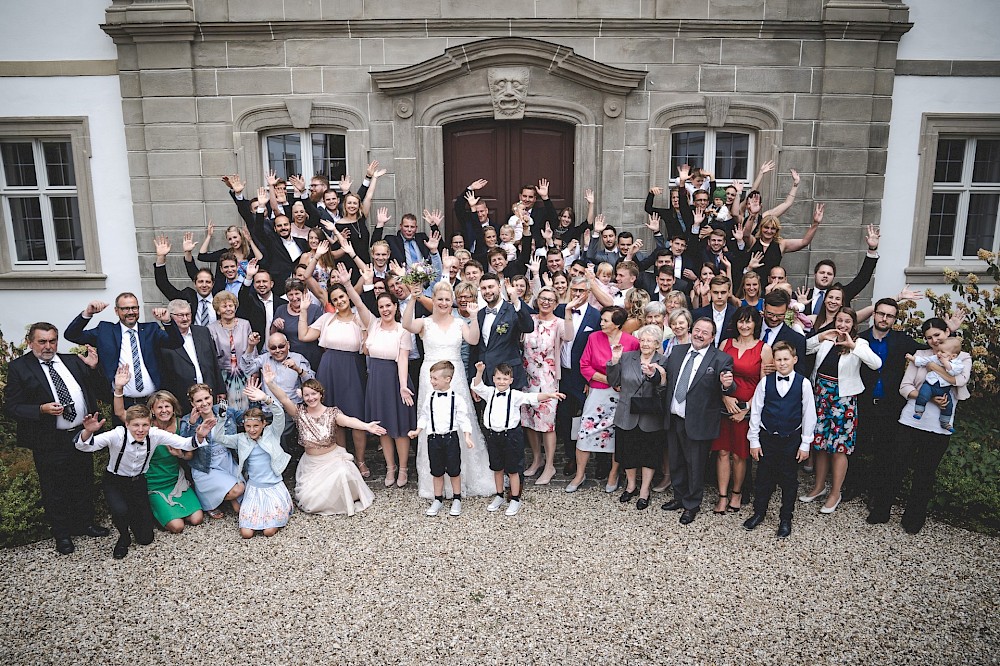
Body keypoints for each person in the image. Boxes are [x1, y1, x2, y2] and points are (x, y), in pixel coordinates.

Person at [3, 323, 110, 555]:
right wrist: (40, 409)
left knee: (83, 480)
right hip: (49, 439)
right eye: (42, 341)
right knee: (54, 489)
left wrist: (93, 369)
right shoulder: (20, 368)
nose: (48, 346)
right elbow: (11, 407)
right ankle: (62, 534)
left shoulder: (72, 362)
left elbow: (99, 391)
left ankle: (86, 523)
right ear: (30, 342)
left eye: (52, 341)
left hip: (81, 433)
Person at [867, 318, 972, 534]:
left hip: (939, 426)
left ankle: (914, 517)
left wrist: (935, 366)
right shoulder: (921, 356)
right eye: (929, 337)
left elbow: (960, 381)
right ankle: (882, 509)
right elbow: (905, 387)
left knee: (925, 473)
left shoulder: (962, 357)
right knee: (896, 466)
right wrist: (931, 398)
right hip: (910, 420)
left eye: (938, 335)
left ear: (947, 332)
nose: (934, 340)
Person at [75, 404, 208, 559]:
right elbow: (84, 447)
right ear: (127, 424)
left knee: (146, 539)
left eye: (145, 425)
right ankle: (123, 537)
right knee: (120, 510)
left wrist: (199, 436)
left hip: (138, 482)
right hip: (115, 482)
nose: (140, 429)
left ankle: (143, 517)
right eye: (136, 425)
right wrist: (88, 432)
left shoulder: (155, 435)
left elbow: (184, 443)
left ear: (150, 424)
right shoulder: (117, 435)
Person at [402, 281, 495, 499]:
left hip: (456, 378)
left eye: (446, 299)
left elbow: (472, 340)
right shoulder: (424, 323)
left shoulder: (459, 322)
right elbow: (406, 324)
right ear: (433, 301)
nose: (443, 303)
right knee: (434, 422)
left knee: (461, 419)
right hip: (431, 378)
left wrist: (473, 318)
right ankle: (435, 481)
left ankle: (466, 476)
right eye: (440, 299)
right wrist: (413, 298)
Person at [254, 367, 384, 516]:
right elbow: (284, 399)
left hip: (333, 459)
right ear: (302, 397)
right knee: (309, 500)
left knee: (343, 473)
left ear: (321, 394)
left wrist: (366, 426)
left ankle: (345, 499)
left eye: (314, 394)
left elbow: (349, 421)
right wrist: (270, 384)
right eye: (306, 395)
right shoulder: (299, 413)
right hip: (311, 464)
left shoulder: (332, 413)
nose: (311, 398)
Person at [337, 264, 417, 488]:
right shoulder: (372, 325)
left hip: (395, 379)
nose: (384, 309)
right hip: (376, 380)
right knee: (382, 427)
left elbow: (402, 359)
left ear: (394, 307)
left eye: (388, 305)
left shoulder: (403, 330)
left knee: (400, 428)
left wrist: (402, 385)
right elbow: (359, 303)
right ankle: (389, 467)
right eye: (381, 306)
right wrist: (346, 284)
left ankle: (403, 468)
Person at [800, 307, 882, 514]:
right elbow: (804, 348)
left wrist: (852, 346)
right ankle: (819, 487)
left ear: (853, 324)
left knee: (839, 448)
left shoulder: (860, 343)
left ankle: (835, 492)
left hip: (843, 400)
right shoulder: (828, 340)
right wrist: (821, 336)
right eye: (839, 321)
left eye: (847, 321)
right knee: (819, 445)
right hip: (821, 396)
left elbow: (876, 364)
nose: (842, 325)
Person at [659, 318, 736, 525]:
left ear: (712, 337)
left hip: (699, 421)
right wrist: (652, 376)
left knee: (695, 465)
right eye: (697, 330)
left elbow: (728, 387)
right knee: (676, 461)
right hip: (674, 417)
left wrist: (727, 385)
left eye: (705, 333)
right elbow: (665, 379)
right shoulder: (677, 352)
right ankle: (679, 497)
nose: (699, 335)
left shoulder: (721, 359)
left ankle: (692, 505)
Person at [110, 370, 203, 535]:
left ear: (173, 409)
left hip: (176, 479)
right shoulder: (144, 426)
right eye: (159, 407)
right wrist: (119, 388)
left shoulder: (182, 424)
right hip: (154, 481)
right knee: (177, 526)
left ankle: (169, 510)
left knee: (197, 519)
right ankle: (153, 511)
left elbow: (189, 455)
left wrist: (179, 455)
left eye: (167, 406)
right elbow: (120, 413)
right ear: (152, 410)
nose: (164, 410)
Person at [847, 298, 921, 502]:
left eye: (889, 316)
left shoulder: (901, 340)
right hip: (863, 402)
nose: (884, 318)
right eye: (881, 314)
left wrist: (948, 332)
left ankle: (875, 492)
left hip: (889, 405)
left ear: (894, 319)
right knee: (857, 447)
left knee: (884, 451)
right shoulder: (860, 339)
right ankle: (852, 485)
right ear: (874, 314)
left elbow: (926, 350)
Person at [743, 342, 817, 538]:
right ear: (773, 361)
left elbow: (809, 415)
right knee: (763, 478)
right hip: (768, 438)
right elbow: (756, 412)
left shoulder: (803, 384)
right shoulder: (765, 383)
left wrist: (805, 444)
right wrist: (754, 441)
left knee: (789, 480)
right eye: (778, 360)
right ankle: (759, 512)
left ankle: (786, 518)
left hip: (791, 439)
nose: (782, 363)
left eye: (786, 359)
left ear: (794, 360)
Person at [472, 362, 563, 516]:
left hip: (511, 436)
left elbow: (532, 396)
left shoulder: (516, 395)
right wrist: (480, 371)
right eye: (499, 378)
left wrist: (550, 395)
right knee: (497, 467)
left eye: (505, 379)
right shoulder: (489, 392)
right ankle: (499, 495)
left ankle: (515, 498)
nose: (501, 381)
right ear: (493, 379)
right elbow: (477, 386)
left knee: (513, 469)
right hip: (493, 436)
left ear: (511, 380)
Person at [65, 295, 183, 412]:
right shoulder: (105, 331)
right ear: (116, 311)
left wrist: (167, 321)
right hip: (122, 403)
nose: (131, 312)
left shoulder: (151, 329)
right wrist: (88, 313)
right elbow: (71, 335)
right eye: (125, 308)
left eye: (134, 308)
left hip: (153, 402)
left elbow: (176, 343)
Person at [298, 285, 370, 476]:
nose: (339, 301)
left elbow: (366, 346)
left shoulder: (358, 317)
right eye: (335, 299)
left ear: (348, 296)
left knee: (355, 415)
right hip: (328, 367)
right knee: (333, 417)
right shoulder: (327, 318)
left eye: (342, 297)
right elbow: (303, 335)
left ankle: (361, 461)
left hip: (352, 368)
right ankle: (343, 460)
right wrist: (303, 311)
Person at [567, 306, 639, 494]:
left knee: (618, 436)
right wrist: (609, 379)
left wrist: (621, 383)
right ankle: (580, 474)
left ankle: (613, 474)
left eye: (606, 320)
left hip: (621, 396)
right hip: (598, 392)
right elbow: (585, 365)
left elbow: (634, 369)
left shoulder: (631, 342)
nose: (601, 323)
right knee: (585, 432)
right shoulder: (594, 338)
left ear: (617, 324)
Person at [208, 384, 294, 539]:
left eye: (256, 426)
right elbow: (219, 438)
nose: (252, 430)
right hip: (254, 490)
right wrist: (221, 417)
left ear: (264, 424)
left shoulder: (272, 433)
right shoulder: (241, 439)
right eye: (248, 426)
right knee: (246, 533)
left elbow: (280, 414)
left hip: (273, 487)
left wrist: (266, 399)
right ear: (244, 426)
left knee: (268, 532)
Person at [711, 306, 772, 514]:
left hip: (748, 409)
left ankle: (737, 493)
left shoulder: (764, 348)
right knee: (722, 452)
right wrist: (725, 397)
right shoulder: (725, 344)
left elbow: (765, 386)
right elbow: (714, 375)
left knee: (739, 455)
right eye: (741, 321)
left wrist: (745, 410)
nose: (744, 326)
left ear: (755, 324)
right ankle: (722, 495)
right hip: (724, 405)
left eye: (749, 321)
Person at [607, 325, 667, 510]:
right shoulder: (627, 357)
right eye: (642, 340)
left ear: (657, 344)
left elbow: (664, 390)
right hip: (627, 413)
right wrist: (614, 361)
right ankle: (631, 485)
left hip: (650, 415)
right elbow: (613, 381)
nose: (645, 343)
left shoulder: (663, 361)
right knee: (628, 452)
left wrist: (656, 375)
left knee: (649, 454)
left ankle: (645, 491)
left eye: (649, 340)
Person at [408, 361, 476, 517]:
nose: (432, 381)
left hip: (451, 438)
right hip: (433, 439)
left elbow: (463, 419)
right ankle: (438, 498)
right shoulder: (429, 396)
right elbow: (424, 415)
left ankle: (457, 498)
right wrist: (417, 430)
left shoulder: (456, 398)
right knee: (436, 471)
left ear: (448, 379)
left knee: (454, 470)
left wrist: (467, 436)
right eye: (431, 378)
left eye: (435, 379)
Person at [520, 287, 573, 484]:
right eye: (543, 298)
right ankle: (537, 459)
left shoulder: (559, 323)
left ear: (556, 303)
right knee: (530, 421)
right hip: (527, 377)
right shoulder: (529, 319)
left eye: (550, 300)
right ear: (537, 300)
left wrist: (568, 313)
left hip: (548, 379)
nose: (546, 302)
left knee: (547, 424)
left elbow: (568, 337)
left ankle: (550, 466)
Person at [554, 279, 602, 477]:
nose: (576, 294)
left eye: (581, 291)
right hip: (563, 374)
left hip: (583, 377)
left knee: (591, 417)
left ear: (589, 292)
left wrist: (590, 379)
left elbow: (598, 348)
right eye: (574, 290)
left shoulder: (595, 315)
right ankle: (571, 456)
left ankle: (600, 460)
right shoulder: (560, 310)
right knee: (565, 417)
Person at [240, 331, 315, 455]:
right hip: (269, 410)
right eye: (273, 348)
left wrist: (298, 369)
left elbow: (312, 383)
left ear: (288, 345)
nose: (278, 350)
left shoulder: (298, 358)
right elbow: (246, 368)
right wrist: (251, 346)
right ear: (269, 349)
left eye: (281, 346)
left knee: (282, 435)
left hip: (291, 410)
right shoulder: (264, 358)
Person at [181, 383, 244, 519]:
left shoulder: (224, 410)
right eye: (199, 400)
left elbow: (244, 417)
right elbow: (185, 448)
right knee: (239, 489)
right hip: (205, 467)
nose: (204, 403)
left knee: (241, 509)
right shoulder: (188, 420)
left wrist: (259, 400)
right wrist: (192, 426)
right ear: (192, 403)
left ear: (212, 397)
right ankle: (208, 500)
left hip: (227, 461)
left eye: (206, 398)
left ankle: (227, 494)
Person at [160, 299, 222, 413]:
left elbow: (214, 362)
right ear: (171, 316)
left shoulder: (202, 332)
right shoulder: (163, 338)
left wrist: (221, 390)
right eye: (180, 315)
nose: (185, 318)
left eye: (188, 314)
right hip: (182, 398)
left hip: (208, 395)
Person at [476, 273, 535, 389]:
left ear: (499, 287)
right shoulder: (480, 314)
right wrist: (477, 381)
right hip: (486, 377)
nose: (487, 291)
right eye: (483, 288)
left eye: (490, 287)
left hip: (509, 375)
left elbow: (528, 327)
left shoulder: (513, 309)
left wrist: (516, 301)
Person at [153, 233, 219, 323]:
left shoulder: (221, 300)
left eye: (207, 282)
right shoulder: (186, 298)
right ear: (194, 284)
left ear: (213, 284)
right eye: (200, 281)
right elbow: (163, 284)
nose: (204, 285)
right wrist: (161, 257)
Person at [207, 290, 254, 413]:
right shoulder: (211, 329)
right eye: (224, 306)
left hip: (244, 372)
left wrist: (254, 373)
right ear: (218, 310)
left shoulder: (245, 324)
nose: (228, 309)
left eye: (231, 305)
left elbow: (252, 350)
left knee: (247, 409)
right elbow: (211, 356)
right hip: (223, 375)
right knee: (226, 409)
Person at [908, 337, 963, 432]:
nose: (939, 354)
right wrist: (913, 359)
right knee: (923, 394)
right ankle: (919, 411)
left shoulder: (957, 364)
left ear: (953, 356)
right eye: (938, 351)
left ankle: (945, 422)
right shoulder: (935, 358)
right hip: (930, 384)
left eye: (943, 352)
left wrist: (945, 362)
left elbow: (953, 372)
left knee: (948, 405)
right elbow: (924, 360)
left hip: (943, 389)